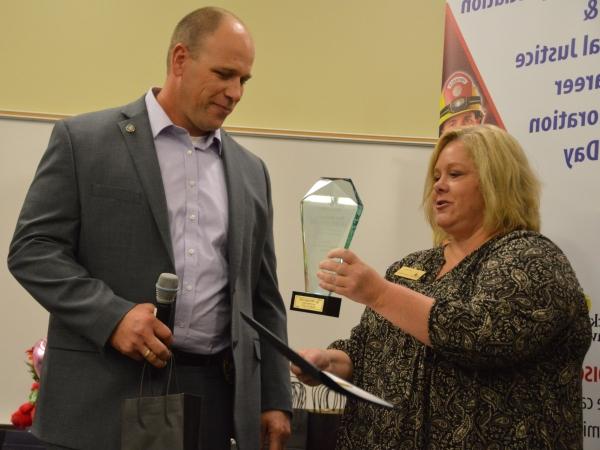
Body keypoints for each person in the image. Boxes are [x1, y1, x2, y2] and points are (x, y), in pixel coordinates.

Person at [8, 7, 291, 450]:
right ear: (180, 60)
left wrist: (275, 397)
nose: (235, 92)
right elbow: (33, 249)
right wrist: (112, 316)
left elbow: (262, 296)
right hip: (102, 399)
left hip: (211, 402)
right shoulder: (84, 141)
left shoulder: (251, 172)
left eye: (244, 80)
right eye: (224, 74)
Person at [292, 125, 591, 449]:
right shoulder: (415, 266)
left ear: (498, 183)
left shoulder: (534, 258)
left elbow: (481, 335)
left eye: (455, 174)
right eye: (436, 177)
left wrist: (379, 293)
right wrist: (327, 364)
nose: (439, 187)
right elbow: (366, 351)